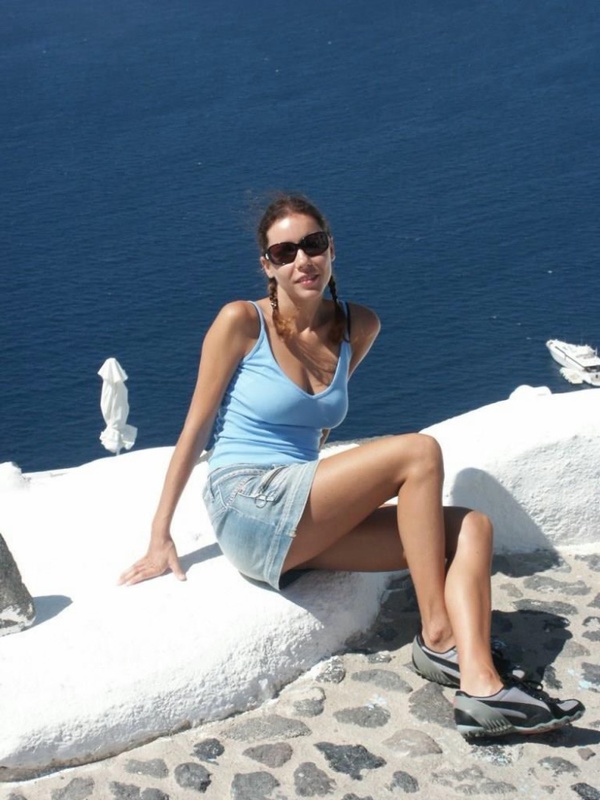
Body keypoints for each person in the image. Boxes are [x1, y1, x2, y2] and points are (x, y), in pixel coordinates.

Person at [120, 193, 584, 738]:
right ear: (267, 265)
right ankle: (439, 633)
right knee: (418, 451)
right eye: (285, 252)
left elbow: (317, 426)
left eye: (313, 244)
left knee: (472, 528)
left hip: (301, 517)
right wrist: (160, 535)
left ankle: (479, 686)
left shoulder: (358, 326)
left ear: (331, 249)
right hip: (247, 501)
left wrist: (345, 491)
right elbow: (196, 428)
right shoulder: (241, 321)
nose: (302, 260)